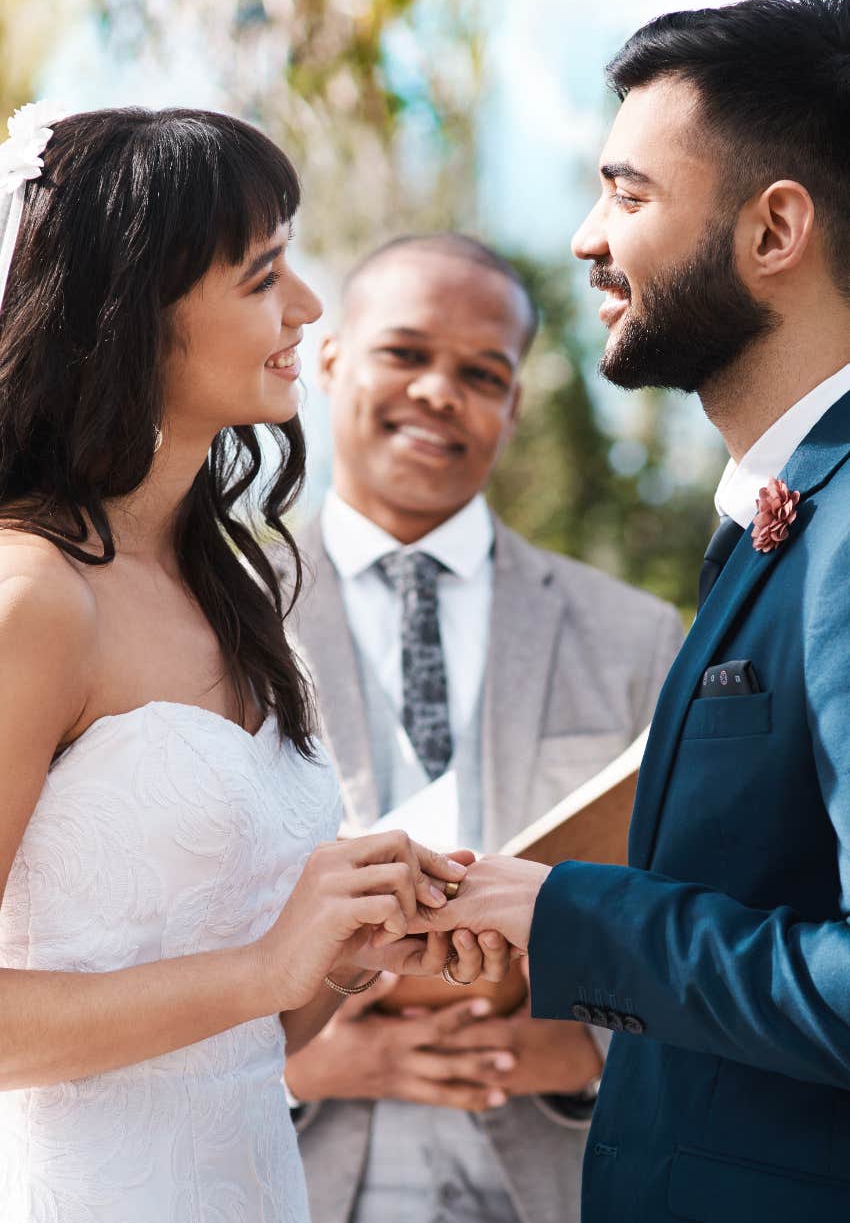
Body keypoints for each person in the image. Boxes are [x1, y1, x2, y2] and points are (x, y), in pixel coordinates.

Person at [0, 104, 509, 1223]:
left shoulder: (229, 590)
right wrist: (267, 964)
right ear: (135, 313)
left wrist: (348, 946)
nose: (308, 307)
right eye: (263, 273)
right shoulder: (31, 598)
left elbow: (249, 1036)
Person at [411, 0, 850, 1221]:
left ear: (774, 231)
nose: (583, 239)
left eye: (630, 192)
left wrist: (571, 914)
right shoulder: (783, 510)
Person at [282, 233, 683, 1223]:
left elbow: (702, 906)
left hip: (557, 1172)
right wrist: (297, 1056)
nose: (438, 391)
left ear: (510, 404)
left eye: (480, 372)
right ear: (330, 358)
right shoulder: (215, 611)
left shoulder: (636, 635)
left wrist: (583, 1052)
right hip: (278, 1173)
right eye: (405, 353)